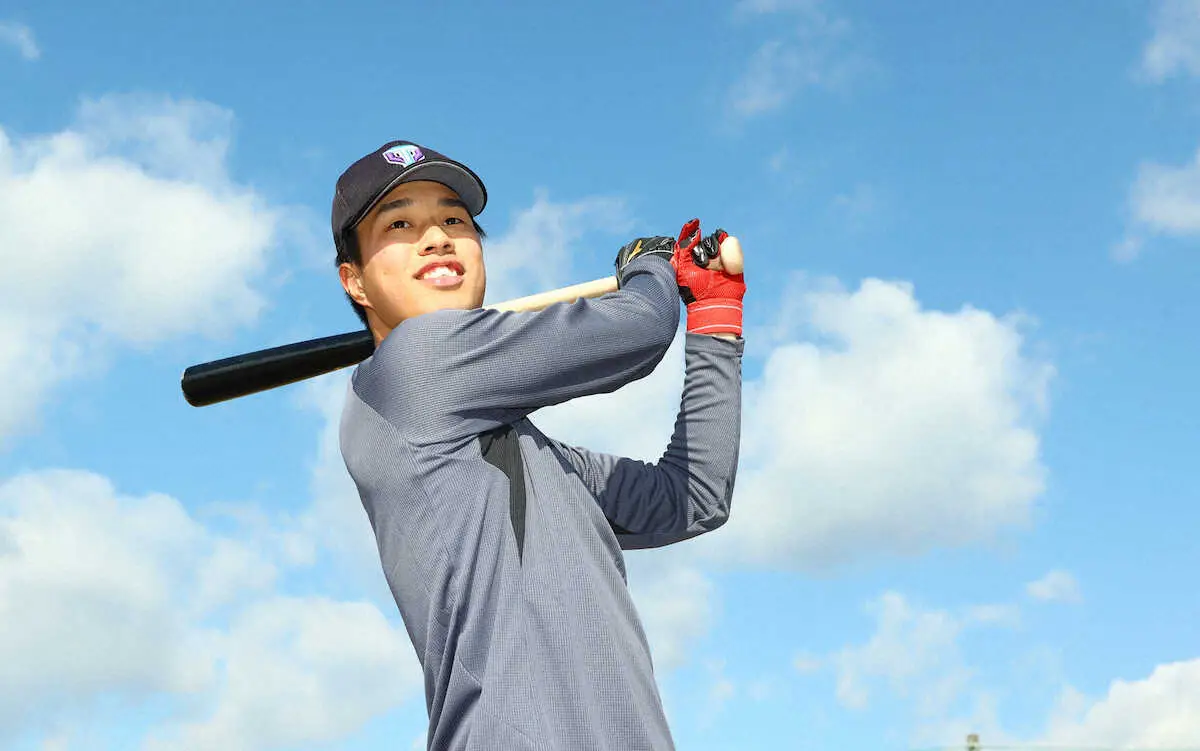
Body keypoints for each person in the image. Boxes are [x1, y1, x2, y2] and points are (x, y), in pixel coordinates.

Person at [332, 140, 745, 750]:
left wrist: (715, 319)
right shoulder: (411, 365)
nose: (438, 238)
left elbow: (693, 497)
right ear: (355, 281)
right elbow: (639, 329)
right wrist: (651, 266)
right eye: (400, 224)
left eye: (454, 220)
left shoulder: (536, 461)